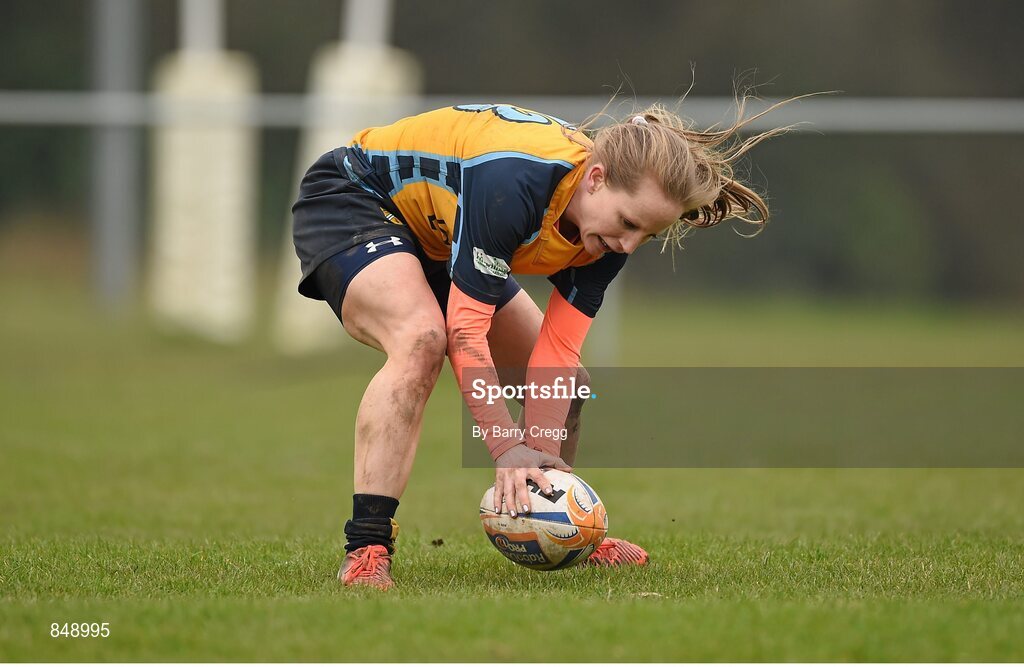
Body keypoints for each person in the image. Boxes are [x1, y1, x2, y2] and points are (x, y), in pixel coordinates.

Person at [291, 99, 793, 590]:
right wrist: (507, 446)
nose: (628, 246)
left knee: (569, 387)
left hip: (442, 235)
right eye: (628, 223)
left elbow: (558, 352)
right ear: (595, 179)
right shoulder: (515, 183)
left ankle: (567, 525)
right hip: (355, 200)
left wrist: (540, 458)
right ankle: (367, 548)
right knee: (423, 338)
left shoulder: (607, 234)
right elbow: (465, 334)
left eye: (648, 235)